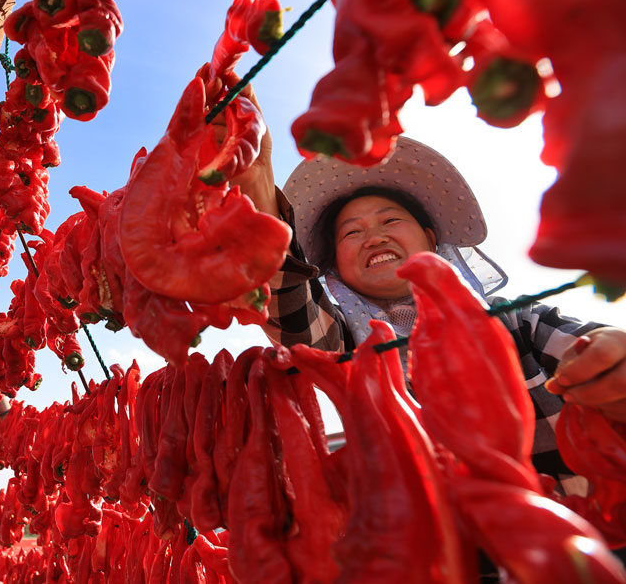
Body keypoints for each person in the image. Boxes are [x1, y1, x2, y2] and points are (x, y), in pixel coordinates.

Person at [224, 99, 626, 492]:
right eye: (352, 232)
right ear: (334, 269)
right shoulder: (349, 348)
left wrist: (609, 360)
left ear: (431, 239)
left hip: (579, 535)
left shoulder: (517, 322)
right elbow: (293, 314)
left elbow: (586, 347)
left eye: (391, 219)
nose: (374, 236)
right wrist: (257, 189)